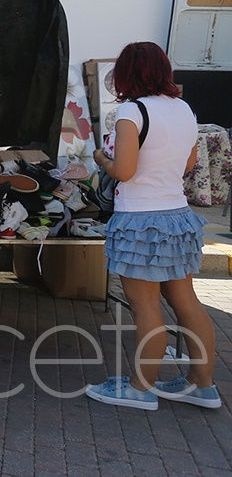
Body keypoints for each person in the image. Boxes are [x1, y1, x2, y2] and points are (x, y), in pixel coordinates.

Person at [85, 42, 220, 410]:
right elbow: (188, 163)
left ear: (127, 74)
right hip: (178, 216)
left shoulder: (132, 111)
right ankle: (202, 384)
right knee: (187, 302)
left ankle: (140, 388)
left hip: (140, 221)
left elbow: (124, 171)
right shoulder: (184, 109)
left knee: (145, 308)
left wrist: (101, 158)